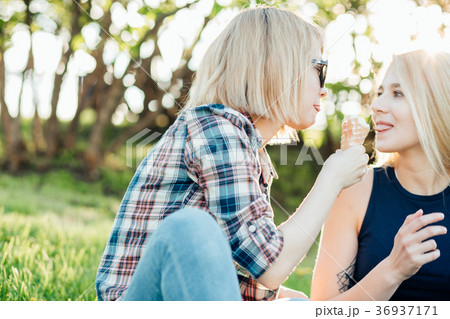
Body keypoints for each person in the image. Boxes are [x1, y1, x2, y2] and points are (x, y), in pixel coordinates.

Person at [96, 6, 368, 301]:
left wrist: (278, 299)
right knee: (192, 227)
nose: (324, 89)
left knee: (293, 302)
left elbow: (237, 269)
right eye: (319, 69)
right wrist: (331, 178)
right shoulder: (216, 129)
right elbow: (270, 264)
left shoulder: (251, 150)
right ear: (277, 67)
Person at [311, 49, 450, 301]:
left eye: (398, 93)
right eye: (380, 93)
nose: (376, 106)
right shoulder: (354, 190)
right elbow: (321, 310)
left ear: (437, 104)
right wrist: (393, 270)